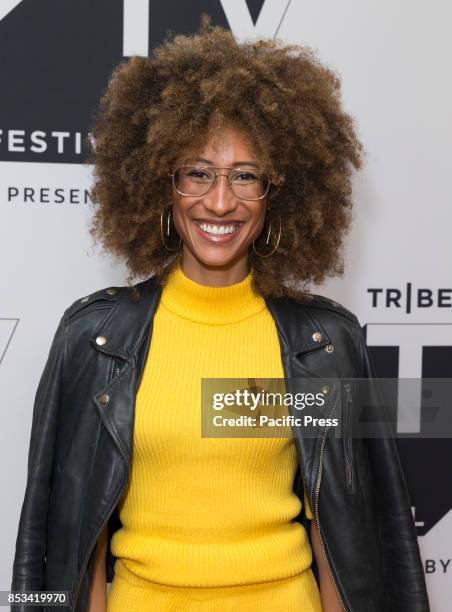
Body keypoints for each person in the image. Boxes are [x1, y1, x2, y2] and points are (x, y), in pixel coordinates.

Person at [11, 15, 430, 612]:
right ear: (163, 183)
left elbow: (344, 530)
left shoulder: (324, 343)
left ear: (278, 192)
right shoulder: (94, 338)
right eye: (199, 174)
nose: (219, 201)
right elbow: (64, 533)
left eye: (246, 177)